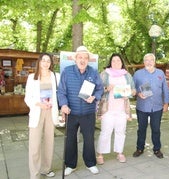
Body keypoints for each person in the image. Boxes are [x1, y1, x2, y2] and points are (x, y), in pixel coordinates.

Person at [57, 46, 104, 176]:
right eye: (80, 57)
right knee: (70, 140)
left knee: (89, 139)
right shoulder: (67, 71)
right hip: (71, 112)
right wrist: (64, 105)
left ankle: (90, 163)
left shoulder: (93, 72)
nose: (82, 60)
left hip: (88, 113)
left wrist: (95, 96)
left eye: (85, 58)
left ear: (88, 60)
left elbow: (100, 89)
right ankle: (71, 165)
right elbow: (61, 91)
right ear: (75, 59)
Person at [24, 53, 60, 179]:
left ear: (51, 63)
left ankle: (46, 169)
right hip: (37, 111)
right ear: (39, 62)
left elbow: (60, 94)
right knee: (34, 144)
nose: (45, 63)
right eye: (43, 60)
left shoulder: (56, 76)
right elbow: (27, 98)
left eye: (48, 61)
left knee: (49, 142)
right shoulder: (32, 77)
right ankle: (34, 173)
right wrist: (38, 104)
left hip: (51, 112)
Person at [96, 53, 136, 165]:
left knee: (121, 132)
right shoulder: (104, 74)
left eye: (118, 61)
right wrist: (106, 88)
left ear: (122, 62)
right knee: (105, 132)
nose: (116, 63)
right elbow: (97, 89)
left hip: (122, 109)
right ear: (110, 62)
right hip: (108, 109)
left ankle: (119, 153)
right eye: (114, 61)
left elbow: (133, 90)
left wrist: (129, 93)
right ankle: (100, 154)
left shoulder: (127, 75)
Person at [132, 53, 169, 159]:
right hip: (142, 107)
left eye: (151, 60)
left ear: (154, 62)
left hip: (157, 107)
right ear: (144, 62)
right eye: (146, 60)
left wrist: (166, 103)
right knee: (141, 129)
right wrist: (138, 93)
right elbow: (132, 89)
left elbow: (165, 89)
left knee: (156, 129)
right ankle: (140, 148)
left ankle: (157, 149)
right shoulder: (138, 74)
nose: (149, 62)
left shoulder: (160, 73)